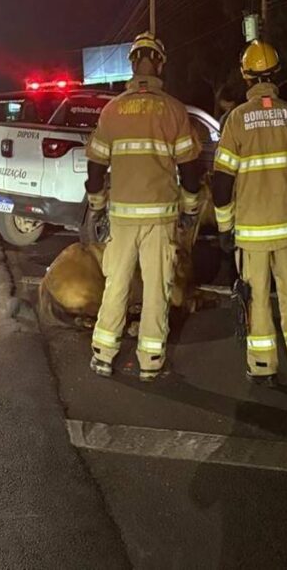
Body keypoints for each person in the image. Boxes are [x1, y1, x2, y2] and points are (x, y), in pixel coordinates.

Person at [85, 32, 203, 382]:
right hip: (160, 217)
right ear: (160, 64)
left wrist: (97, 204)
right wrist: (190, 207)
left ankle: (103, 354)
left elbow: (95, 167)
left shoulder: (112, 110)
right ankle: (151, 361)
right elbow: (190, 169)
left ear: (132, 64)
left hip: (122, 217)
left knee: (116, 284)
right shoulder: (174, 110)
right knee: (156, 289)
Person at [212, 41, 287, 385]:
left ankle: (263, 368)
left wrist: (224, 229)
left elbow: (221, 183)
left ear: (246, 76)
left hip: (251, 233)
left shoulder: (236, 121)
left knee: (256, 300)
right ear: (276, 75)